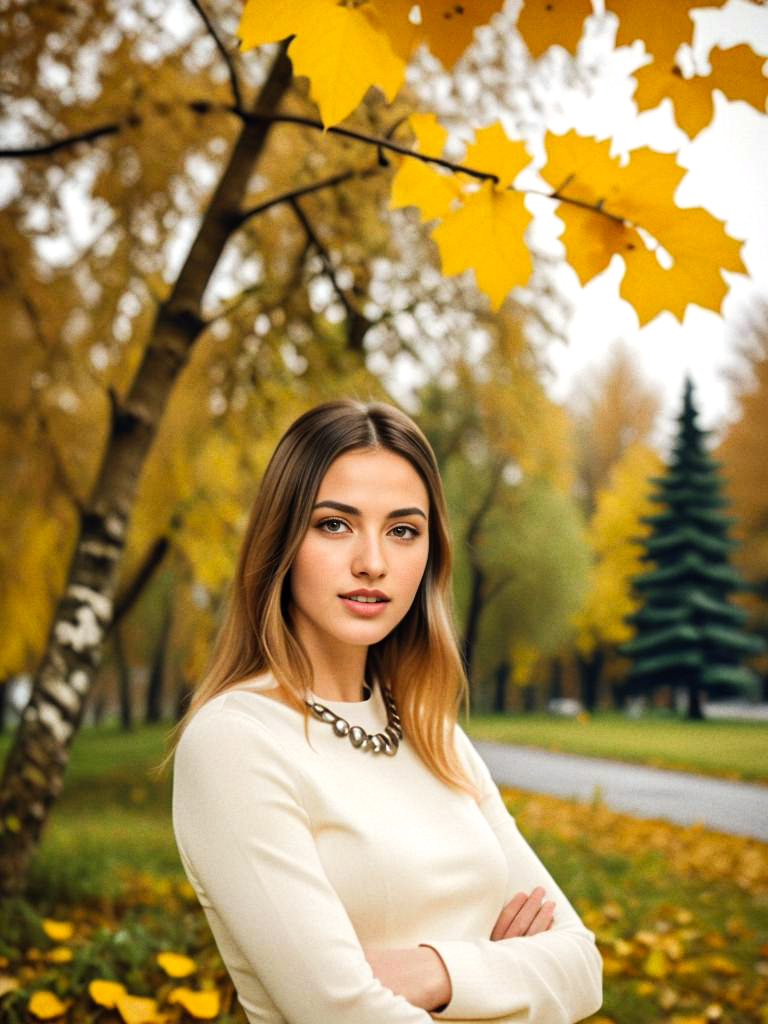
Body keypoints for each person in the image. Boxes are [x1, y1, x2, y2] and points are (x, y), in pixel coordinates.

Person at [167, 399, 603, 1023]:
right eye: (335, 524)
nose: (372, 561)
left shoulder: (434, 734)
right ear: (281, 540)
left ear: (429, 554)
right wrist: (504, 972)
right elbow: (342, 1013)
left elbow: (582, 966)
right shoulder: (235, 742)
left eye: (403, 530)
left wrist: (435, 971)